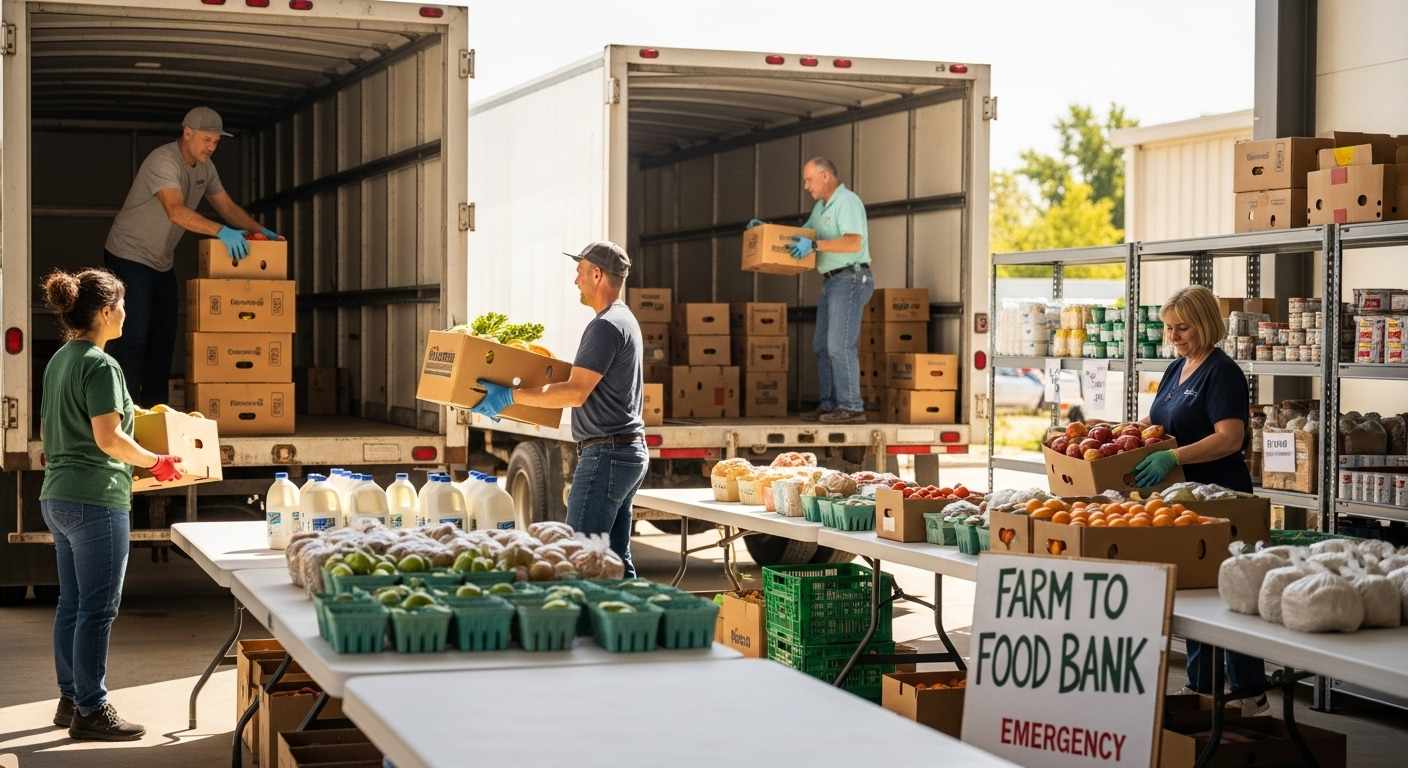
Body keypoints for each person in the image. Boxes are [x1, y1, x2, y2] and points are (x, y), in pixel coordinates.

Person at [39, 268, 183, 741]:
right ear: (105, 312)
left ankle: (71, 698)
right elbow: (109, 438)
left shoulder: (62, 358)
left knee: (72, 603)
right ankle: (92, 709)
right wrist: (157, 462)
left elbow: (96, 421)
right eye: (122, 305)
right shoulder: (101, 364)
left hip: (58, 496)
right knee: (98, 609)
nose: (127, 312)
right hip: (95, 499)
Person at [471, 242, 647, 576]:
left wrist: (510, 396)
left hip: (606, 455)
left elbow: (576, 392)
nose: (575, 280)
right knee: (614, 559)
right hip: (625, 451)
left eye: (580, 272)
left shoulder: (606, 325)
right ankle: (628, 626)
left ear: (597, 274)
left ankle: (582, 629)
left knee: (577, 558)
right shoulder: (625, 320)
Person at [1132, 285, 1268, 716]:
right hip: (1184, 500)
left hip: (1223, 500)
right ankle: (1202, 689)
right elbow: (1154, 422)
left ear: (1207, 324)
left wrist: (1172, 456)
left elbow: (1230, 438)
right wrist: (1120, 439)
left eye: (1182, 327)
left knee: (1229, 596)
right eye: (1168, 327)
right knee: (1194, 591)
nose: (1174, 335)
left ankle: (1249, 695)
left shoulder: (1221, 372)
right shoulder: (1177, 369)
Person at [103, 106, 283, 407]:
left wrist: (261, 231)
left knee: (164, 338)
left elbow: (226, 206)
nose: (211, 147)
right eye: (206, 140)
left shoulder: (206, 168)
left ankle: (154, 410)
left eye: (215, 142)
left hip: (160, 263)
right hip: (129, 255)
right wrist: (222, 232)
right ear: (187, 133)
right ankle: (124, 412)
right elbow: (176, 211)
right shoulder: (164, 161)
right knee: (133, 337)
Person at [748, 156, 872, 424]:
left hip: (850, 278)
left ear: (825, 176)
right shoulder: (822, 207)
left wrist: (815, 246)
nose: (806, 186)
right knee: (821, 346)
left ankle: (852, 407)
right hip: (831, 281)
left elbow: (852, 242)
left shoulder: (847, 201)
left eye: (809, 179)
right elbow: (804, 233)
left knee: (838, 346)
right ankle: (829, 406)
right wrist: (768, 231)